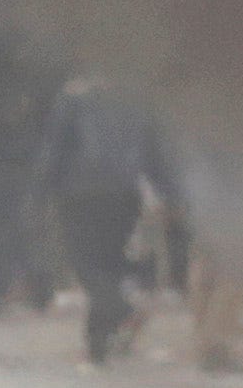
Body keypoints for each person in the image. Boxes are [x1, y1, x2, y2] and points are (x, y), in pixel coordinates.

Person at [40, 75, 178, 363]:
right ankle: (97, 343)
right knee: (110, 266)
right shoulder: (137, 99)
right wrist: (168, 192)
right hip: (124, 193)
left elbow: (56, 147)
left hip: (79, 192)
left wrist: (43, 189)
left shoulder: (74, 98)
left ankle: (119, 312)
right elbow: (154, 151)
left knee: (86, 266)